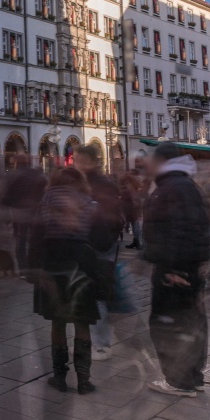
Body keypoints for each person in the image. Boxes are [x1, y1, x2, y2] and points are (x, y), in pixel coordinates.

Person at [143, 142, 210, 397]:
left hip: (174, 267)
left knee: (168, 322)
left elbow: (175, 229)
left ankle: (178, 380)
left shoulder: (170, 188)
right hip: (189, 263)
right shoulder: (186, 185)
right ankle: (194, 377)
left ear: (161, 161)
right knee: (192, 320)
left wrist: (172, 268)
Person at [30, 167, 100, 394]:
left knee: (57, 321)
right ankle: (84, 380)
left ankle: (59, 377)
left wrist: (33, 269)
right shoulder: (88, 202)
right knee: (82, 322)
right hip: (80, 265)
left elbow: (36, 236)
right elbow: (101, 237)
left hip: (53, 264)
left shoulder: (45, 201)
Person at [73, 146, 128, 361]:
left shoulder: (101, 184)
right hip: (85, 244)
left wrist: (106, 238)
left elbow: (112, 217)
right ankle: (92, 340)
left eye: (80, 160)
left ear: (92, 161)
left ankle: (102, 344)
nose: (76, 164)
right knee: (88, 293)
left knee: (97, 295)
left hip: (99, 245)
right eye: (75, 160)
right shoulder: (80, 184)